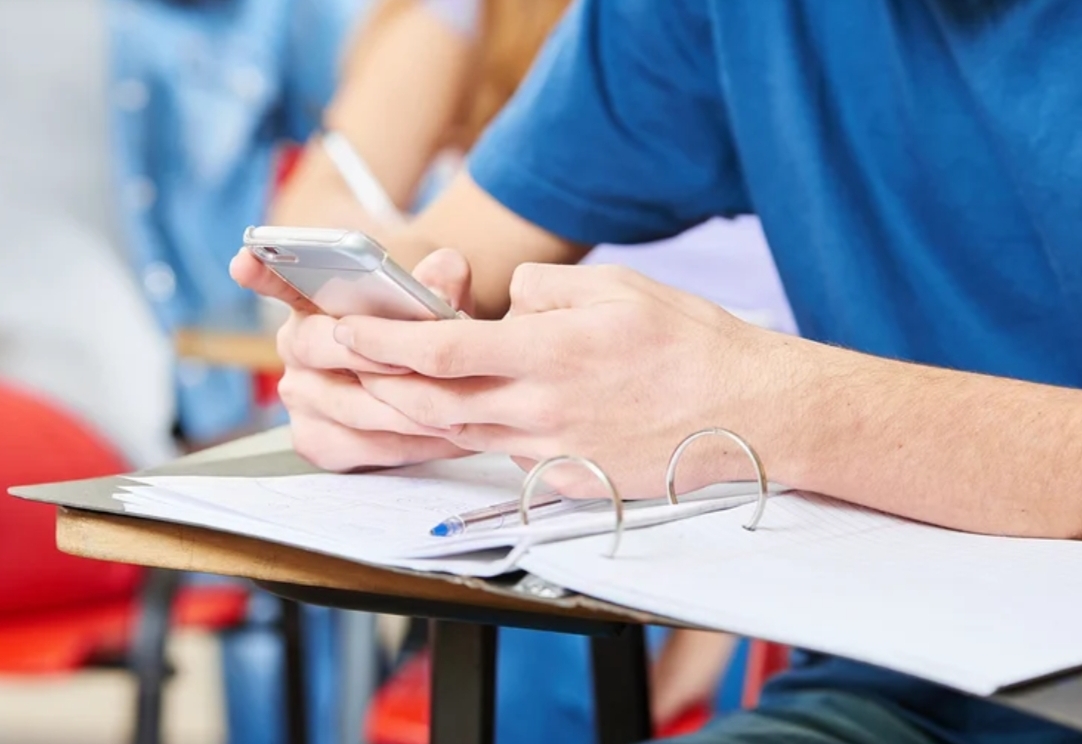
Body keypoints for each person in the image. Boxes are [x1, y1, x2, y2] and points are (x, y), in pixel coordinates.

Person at [234, 0, 1082, 741]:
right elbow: (461, 250)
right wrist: (371, 348)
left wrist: (757, 405)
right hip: (908, 692)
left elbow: (748, 403)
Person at [269, 0, 784, 738]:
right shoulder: (527, 27)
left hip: (766, 461)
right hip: (591, 450)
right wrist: (413, 285)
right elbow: (359, 217)